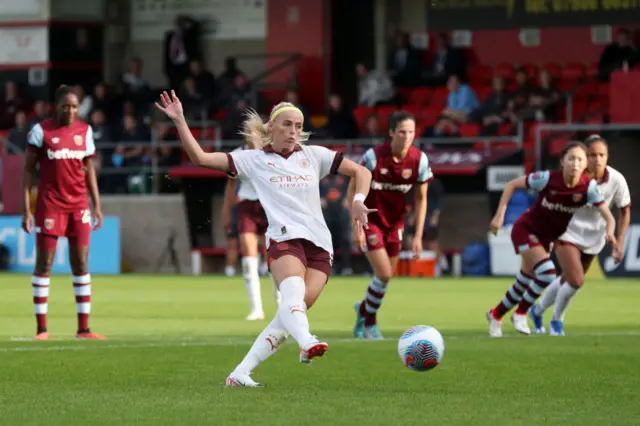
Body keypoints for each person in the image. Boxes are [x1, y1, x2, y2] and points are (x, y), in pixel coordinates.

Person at [155, 90, 374, 387]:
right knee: (293, 297)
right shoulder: (253, 159)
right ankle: (307, 340)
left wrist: (359, 199)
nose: (293, 131)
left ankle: (240, 373)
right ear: (271, 127)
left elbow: (361, 171)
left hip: (320, 245)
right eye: (286, 125)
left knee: (289, 317)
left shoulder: (314, 155)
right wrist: (180, 120)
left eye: (298, 126)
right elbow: (200, 158)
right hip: (284, 241)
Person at [486, 141, 618, 338]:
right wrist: (499, 215)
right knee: (548, 272)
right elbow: (513, 184)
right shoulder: (547, 179)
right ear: (562, 161)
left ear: (585, 165)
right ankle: (521, 313)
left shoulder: (588, 188)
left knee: (523, 282)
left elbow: (609, 216)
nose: (575, 163)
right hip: (526, 229)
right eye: (571, 158)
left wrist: (611, 233)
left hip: (546, 238)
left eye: (580, 159)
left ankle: (495, 315)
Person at [22, 85, 104, 341]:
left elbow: (88, 169)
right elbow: (28, 172)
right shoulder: (40, 131)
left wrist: (96, 204)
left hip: (79, 205)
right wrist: (27, 209)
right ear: (55, 106)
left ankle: (83, 329)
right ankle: (42, 329)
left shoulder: (84, 131)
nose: (70, 111)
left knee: (81, 264)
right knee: (44, 264)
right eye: (65, 106)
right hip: (50, 205)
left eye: (75, 106)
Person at [530, 135, 631, 335]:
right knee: (576, 281)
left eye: (601, 155)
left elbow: (625, 210)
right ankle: (556, 322)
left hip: (594, 238)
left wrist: (619, 241)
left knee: (567, 279)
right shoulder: (572, 177)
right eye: (592, 155)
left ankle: (537, 310)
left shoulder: (617, 180)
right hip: (567, 232)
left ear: (607, 157)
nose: (597, 159)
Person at [350, 111, 434, 340]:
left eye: (411, 132)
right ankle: (370, 321)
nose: (407, 137)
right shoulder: (374, 157)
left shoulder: (420, 160)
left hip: (395, 223)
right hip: (370, 221)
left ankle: (363, 310)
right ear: (391, 133)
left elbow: (421, 198)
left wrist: (418, 235)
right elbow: (352, 189)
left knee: (386, 276)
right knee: (384, 273)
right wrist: (356, 227)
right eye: (402, 132)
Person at [222, 143, 279, 320]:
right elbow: (231, 185)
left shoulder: (273, 153)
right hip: (246, 206)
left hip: (269, 205)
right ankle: (256, 308)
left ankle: (281, 304)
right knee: (248, 256)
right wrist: (226, 211)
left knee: (274, 256)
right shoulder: (238, 155)